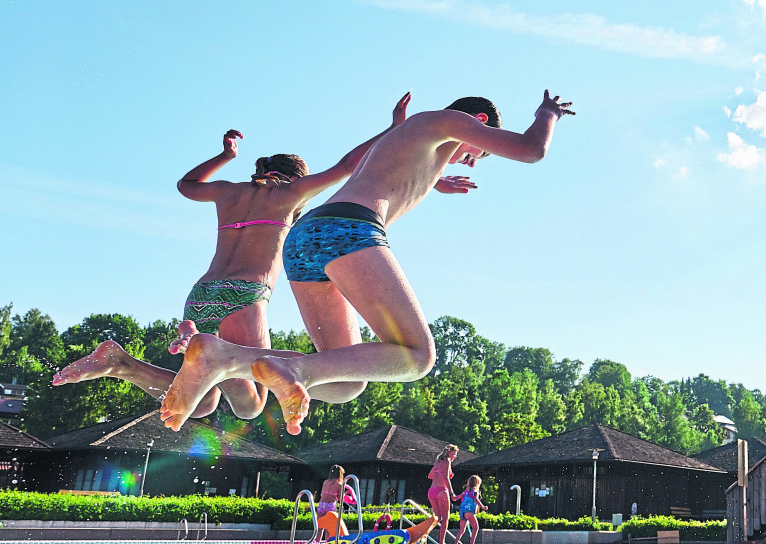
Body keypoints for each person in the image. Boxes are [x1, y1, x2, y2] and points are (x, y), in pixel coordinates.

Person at [158, 89, 574, 434]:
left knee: (345, 382)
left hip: (306, 240)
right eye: (477, 153)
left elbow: (383, 166)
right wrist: (547, 113)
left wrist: (435, 182)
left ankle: (222, 357)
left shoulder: (417, 139)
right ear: (479, 122)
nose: (469, 159)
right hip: (347, 230)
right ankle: (288, 373)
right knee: (416, 356)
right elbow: (531, 150)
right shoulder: (443, 121)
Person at [54, 95, 474, 422]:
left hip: (200, 295)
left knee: (202, 403)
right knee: (250, 407)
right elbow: (352, 165)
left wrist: (226, 157)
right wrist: (392, 132)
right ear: (298, 178)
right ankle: (128, 363)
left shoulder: (229, 191)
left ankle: (121, 364)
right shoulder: (291, 195)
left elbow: (186, 185)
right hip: (244, 296)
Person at [427, 444, 458, 544]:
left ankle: (423, 537)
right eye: (454, 454)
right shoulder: (447, 461)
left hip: (431, 491)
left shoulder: (437, 461)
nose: (455, 456)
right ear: (449, 453)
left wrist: (446, 475)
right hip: (441, 491)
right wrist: (452, 493)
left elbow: (430, 475)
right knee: (445, 518)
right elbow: (445, 478)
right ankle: (441, 543)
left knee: (437, 518)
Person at [317, 463, 356, 540]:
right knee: (329, 528)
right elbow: (339, 498)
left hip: (321, 505)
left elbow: (325, 494)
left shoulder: (325, 482)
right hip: (330, 506)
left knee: (320, 527)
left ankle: (316, 543)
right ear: (340, 474)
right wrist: (347, 494)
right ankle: (328, 543)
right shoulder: (339, 485)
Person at [453, 475, 488, 544]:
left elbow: (455, 498)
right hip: (469, 512)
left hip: (462, 512)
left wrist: (453, 496)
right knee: (476, 528)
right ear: (477, 484)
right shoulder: (475, 492)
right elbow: (476, 500)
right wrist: (483, 507)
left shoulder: (464, 492)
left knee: (461, 530)